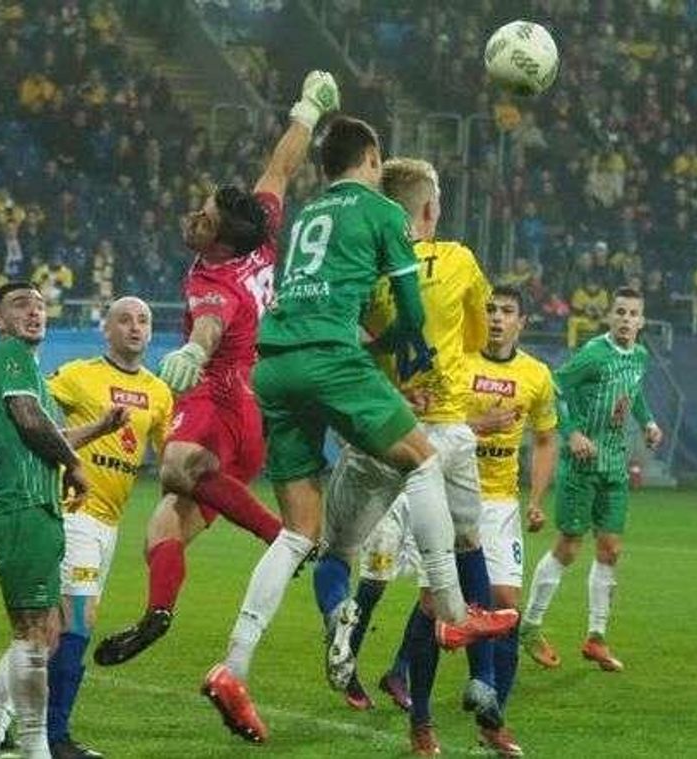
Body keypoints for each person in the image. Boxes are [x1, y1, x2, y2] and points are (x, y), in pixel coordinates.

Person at [201, 126, 517, 744]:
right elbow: (411, 308)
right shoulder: (380, 209)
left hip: (275, 363)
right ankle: (453, 615)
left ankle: (234, 666)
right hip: (330, 355)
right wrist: (406, 341)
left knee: (299, 533)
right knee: (423, 460)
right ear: (370, 160)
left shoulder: (308, 215)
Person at [92, 70, 337, 668]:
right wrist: (305, 112)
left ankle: (285, 536)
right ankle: (157, 614)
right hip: (248, 414)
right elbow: (279, 170)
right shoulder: (260, 239)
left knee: (176, 464)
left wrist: (195, 353)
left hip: (221, 400)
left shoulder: (215, 280)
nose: (193, 220)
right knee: (161, 529)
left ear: (221, 243)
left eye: (202, 220)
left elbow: (210, 324)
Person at [316, 157, 510, 753]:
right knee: (458, 564)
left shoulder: (366, 275)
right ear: (429, 209)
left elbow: (353, 345)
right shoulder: (458, 261)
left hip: (383, 429)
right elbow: (478, 339)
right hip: (444, 435)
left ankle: (422, 718)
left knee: (339, 551)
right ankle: (477, 689)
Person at [0, 296, 171, 759]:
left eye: (143, 319)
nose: (135, 327)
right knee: (69, 625)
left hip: (111, 521)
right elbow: (28, 406)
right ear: (106, 329)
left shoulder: (159, 392)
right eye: (124, 319)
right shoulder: (77, 373)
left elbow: (169, 456)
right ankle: (52, 736)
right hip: (70, 510)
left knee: (47, 627)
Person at [344, 285, 558, 757]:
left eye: (507, 311)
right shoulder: (453, 363)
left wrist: (537, 498)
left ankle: (492, 718)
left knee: (506, 608)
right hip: (442, 492)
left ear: (522, 321)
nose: (497, 318)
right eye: (491, 310)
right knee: (431, 606)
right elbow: (421, 422)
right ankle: (421, 723)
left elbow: (545, 439)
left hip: (499, 503)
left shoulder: (537, 375)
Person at [0, 282, 129, 759]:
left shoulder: (28, 372)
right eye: (21, 305)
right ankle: (36, 746)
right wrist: (76, 467)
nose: (35, 312)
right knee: (34, 630)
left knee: (47, 626)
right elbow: (29, 421)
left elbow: (48, 430)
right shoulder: (10, 354)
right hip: (20, 505)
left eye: (40, 305)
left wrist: (99, 427)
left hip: (32, 507)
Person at [521, 287, 661, 673]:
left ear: (642, 321)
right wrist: (572, 432)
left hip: (615, 466)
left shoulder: (640, 356)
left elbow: (634, 393)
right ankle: (530, 624)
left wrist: (647, 422)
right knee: (568, 547)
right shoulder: (593, 355)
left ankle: (595, 637)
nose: (627, 319)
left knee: (611, 550)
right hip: (582, 467)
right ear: (609, 317)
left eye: (634, 313)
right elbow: (555, 387)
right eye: (621, 312)